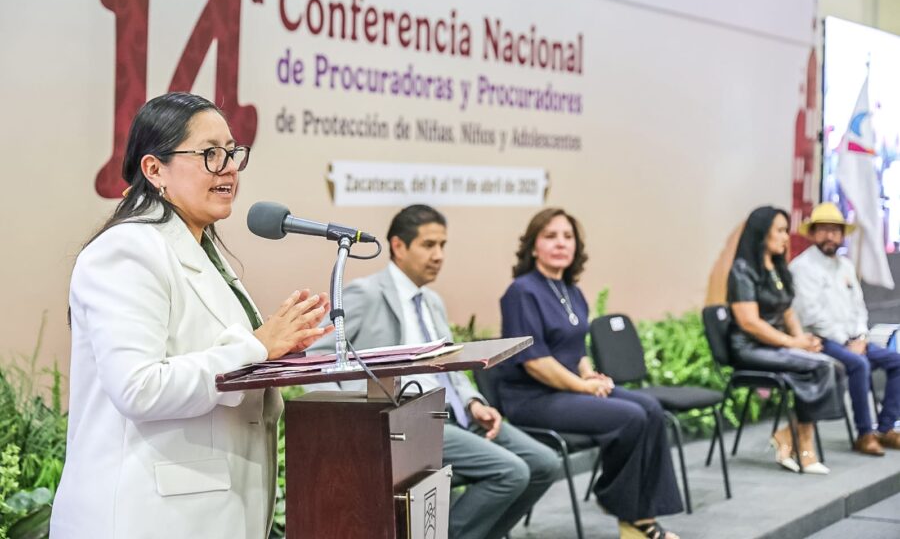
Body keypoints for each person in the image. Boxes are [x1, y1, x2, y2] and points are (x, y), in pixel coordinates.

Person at [50, 93, 333, 539]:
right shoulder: (127, 250)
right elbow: (138, 388)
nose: (228, 167)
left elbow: (215, 357)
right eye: (209, 154)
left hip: (207, 510)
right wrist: (257, 345)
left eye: (232, 152)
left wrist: (278, 353)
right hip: (145, 517)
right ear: (154, 169)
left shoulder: (201, 250)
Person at [308, 204, 560, 539]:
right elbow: (318, 357)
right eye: (429, 245)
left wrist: (473, 402)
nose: (439, 255)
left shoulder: (431, 301)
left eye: (442, 245)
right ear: (398, 246)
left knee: (545, 464)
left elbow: (452, 365)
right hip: (411, 418)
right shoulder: (367, 293)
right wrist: (360, 421)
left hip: (457, 414)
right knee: (510, 472)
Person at [495, 208, 682, 539]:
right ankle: (623, 506)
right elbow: (535, 361)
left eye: (568, 237)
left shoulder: (571, 291)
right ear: (533, 246)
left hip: (567, 390)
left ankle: (639, 516)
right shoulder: (521, 292)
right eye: (550, 236)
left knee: (652, 409)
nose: (561, 244)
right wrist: (582, 387)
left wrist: (590, 376)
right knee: (631, 417)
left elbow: (575, 350)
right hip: (533, 398)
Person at [727, 205, 846, 474]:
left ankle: (789, 434)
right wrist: (794, 344)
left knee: (830, 364)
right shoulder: (742, 270)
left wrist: (802, 338)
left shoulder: (778, 268)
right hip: (749, 348)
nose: (785, 237)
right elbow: (749, 322)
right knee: (821, 367)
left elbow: (788, 310)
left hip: (777, 345)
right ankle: (804, 444)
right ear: (761, 234)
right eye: (780, 231)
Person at [789, 202, 900, 455]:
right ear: (813, 233)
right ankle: (864, 434)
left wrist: (860, 336)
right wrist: (846, 341)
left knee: (896, 361)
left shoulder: (846, 266)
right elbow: (812, 315)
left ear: (841, 235)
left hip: (854, 340)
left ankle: (885, 428)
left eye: (835, 230)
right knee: (859, 364)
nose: (830, 235)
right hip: (821, 340)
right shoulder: (801, 267)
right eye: (824, 229)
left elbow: (859, 307)